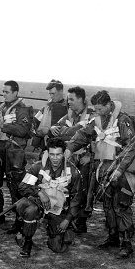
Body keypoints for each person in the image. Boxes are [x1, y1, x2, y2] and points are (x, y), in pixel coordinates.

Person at [65, 90, 135, 258]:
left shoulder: (123, 121)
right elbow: (83, 135)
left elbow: (131, 149)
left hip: (121, 171)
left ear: (109, 105)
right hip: (103, 170)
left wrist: (119, 170)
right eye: (96, 109)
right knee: (107, 205)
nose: (97, 112)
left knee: (121, 206)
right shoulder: (97, 121)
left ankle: (126, 243)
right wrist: (69, 149)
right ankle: (113, 237)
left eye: (100, 109)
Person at [15, 138, 83, 257]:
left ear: (64, 153)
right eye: (52, 154)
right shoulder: (38, 167)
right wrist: (40, 193)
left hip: (58, 208)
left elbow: (77, 199)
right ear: (47, 153)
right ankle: (27, 240)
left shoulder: (73, 171)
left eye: (58, 154)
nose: (55, 158)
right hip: (40, 204)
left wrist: (67, 220)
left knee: (58, 247)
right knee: (30, 209)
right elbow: (23, 186)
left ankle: (52, 227)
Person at [50, 86, 95, 233]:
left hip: (86, 158)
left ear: (81, 99)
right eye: (68, 99)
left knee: (83, 189)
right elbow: (58, 128)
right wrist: (52, 128)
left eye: (71, 99)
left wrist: (91, 156)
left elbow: (92, 136)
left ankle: (81, 221)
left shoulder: (91, 116)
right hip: (71, 157)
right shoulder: (70, 115)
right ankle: (69, 218)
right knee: (67, 187)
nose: (68, 102)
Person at [0, 80, 33, 229]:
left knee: (15, 187)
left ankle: (19, 220)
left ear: (15, 92)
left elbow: (23, 131)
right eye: (3, 91)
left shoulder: (23, 109)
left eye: (6, 92)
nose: (4, 94)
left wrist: (4, 125)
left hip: (15, 152)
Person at [32, 79, 68, 150]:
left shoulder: (68, 107)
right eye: (50, 94)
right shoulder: (47, 107)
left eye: (53, 93)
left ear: (61, 91)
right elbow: (35, 122)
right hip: (47, 143)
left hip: (63, 144)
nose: (51, 96)